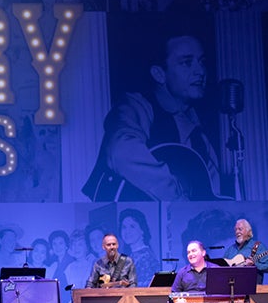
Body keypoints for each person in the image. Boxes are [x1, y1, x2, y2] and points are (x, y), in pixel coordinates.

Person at [83, 35, 221, 201]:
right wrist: (178, 200)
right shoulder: (136, 106)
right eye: (187, 62)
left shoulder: (198, 133)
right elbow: (121, 151)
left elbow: (211, 194)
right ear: (159, 74)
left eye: (202, 62)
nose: (200, 71)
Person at [118, 208, 159, 286]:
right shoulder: (128, 255)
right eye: (124, 227)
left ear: (142, 230)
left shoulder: (147, 257)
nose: (127, 231)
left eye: (132, 226)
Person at [224, 219, 268, 284]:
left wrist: (255, 265)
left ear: (248, 231)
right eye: (236, 230)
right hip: (233, 290)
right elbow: (222, 267)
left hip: (251, 289)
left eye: (240, 229)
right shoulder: (230, 249)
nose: (237, 232)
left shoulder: (258, 246)